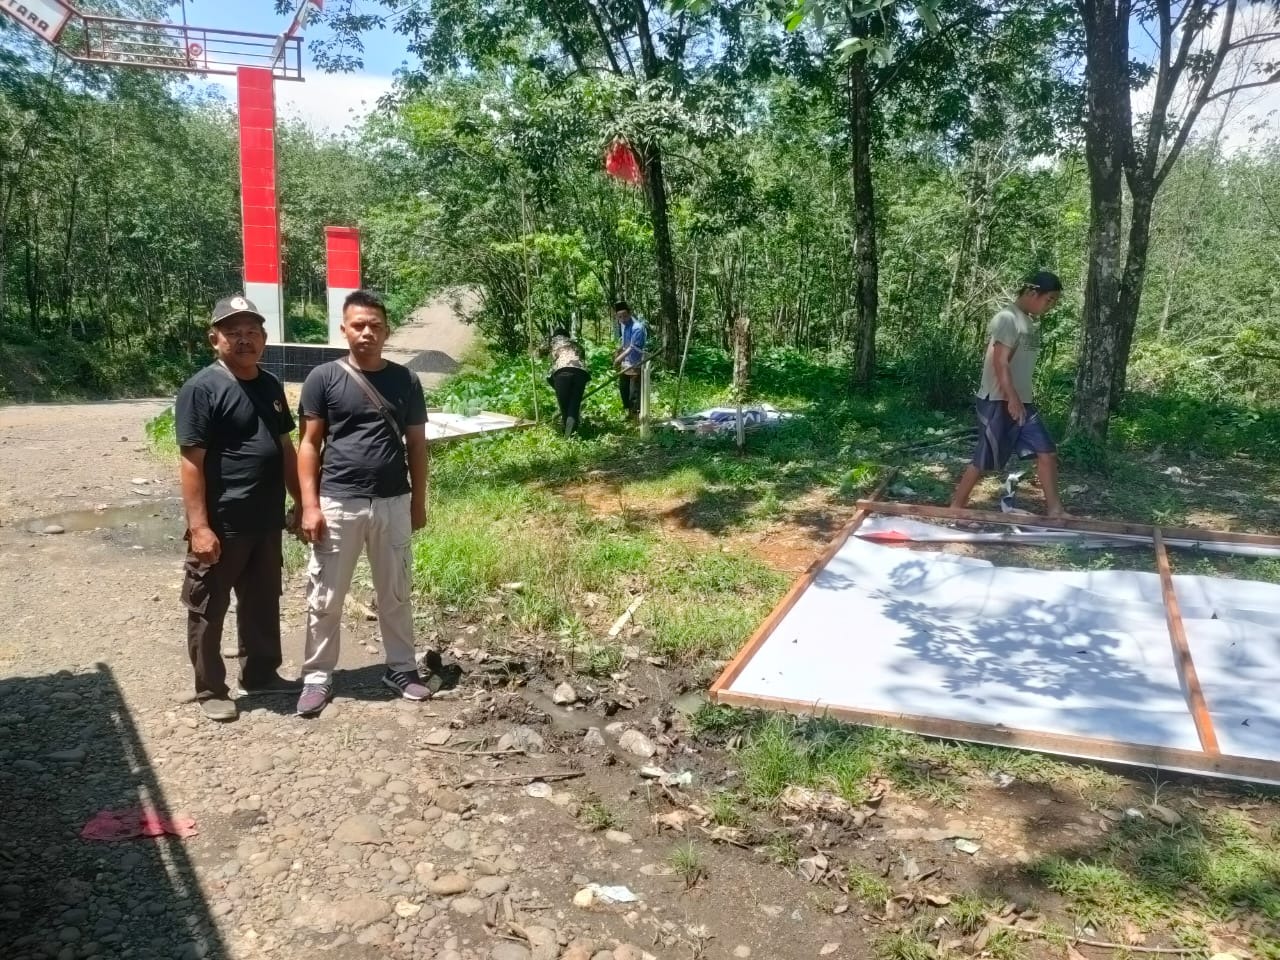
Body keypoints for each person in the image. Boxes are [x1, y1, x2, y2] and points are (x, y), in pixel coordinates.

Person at [295, 289, 432, 717]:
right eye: (358, 325)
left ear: (387, 331)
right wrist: (309, 505)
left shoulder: (406, 381)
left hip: (393, 503)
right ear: (344, 329)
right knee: (325, 595)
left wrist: (418, 502)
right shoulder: (323, 379)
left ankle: (401, 668)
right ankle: (317, 676)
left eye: (375, 325)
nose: (367, 333)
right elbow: (309, 444)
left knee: (396, 591)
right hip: (338, 502)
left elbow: (417, 446)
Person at [175, 295, 303, 722]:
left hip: (265, 519)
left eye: (252, 332)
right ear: (215, 339)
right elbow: (191, 461)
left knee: (262, 601)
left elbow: (285, 447)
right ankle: (210, 688)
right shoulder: (202, 389)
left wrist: (302, 502)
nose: (244, 340)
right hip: (223, 521)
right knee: (208, 607)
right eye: (233, 332)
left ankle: (262, 674)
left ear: (264, 338)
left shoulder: (269, 385)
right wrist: (199, 526)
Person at [951, 271, 1066, 518]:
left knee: (1047, 451)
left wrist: (1018, 399)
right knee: (984, 459)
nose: (1051, 306)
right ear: (1032, 293)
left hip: (1023, 401)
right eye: (1049, 300)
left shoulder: (1028, 322)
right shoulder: (1007, 318)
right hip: (998, 400)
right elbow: (1000, 362)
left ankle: (1055, 510)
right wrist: (1011, 398)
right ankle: (955, 508)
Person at [546, 326, 591, 437]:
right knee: (574, 405)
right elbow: (582, 357)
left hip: (561, 373)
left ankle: (567, 434)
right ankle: (572, 430)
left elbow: (537, 353)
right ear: (567, 336)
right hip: (580, 373)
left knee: (565, 407)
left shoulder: (552, 341)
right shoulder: (575, 344)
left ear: (555, 335)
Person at [612, 301, 646, 420]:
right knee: (624, 389)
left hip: (636, 363)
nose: (623, 319)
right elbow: (625, 343)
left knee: (634, 392)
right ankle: (629, 413)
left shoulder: (638, 327)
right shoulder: (624, 326)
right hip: (626, 363)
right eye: (620, 317)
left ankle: (636, 416)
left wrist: (618, 358)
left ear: (630, 314)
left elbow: (633, 347)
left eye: (625, 316)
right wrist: (618, 351)